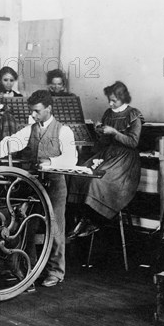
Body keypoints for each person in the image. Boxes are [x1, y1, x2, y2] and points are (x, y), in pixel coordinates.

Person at [0, 90, 77, 287]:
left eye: (37, 111)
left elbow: (71, 158)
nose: (33, 115)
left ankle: (56, 272)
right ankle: (30, 268)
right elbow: (11, 141)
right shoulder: (30, 129)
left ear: (48, 109)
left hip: (55, 184)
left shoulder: (64, 131)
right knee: (28, 226)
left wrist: (50, 161)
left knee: (56, 227)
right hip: (34, 185)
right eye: (31, 111)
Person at [67, 81, 144, 238]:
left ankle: (94, 220)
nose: (110, 103)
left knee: (97, 180)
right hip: (108, 153)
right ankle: (81, 219)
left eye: (114, 100)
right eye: (109, 100)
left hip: (125, 160)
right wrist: (100, 133)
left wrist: (114, 132)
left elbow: (133, 142)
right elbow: (104, 143)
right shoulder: (108, 113)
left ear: (123, 98)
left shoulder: (133, 114)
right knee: (79, 173)